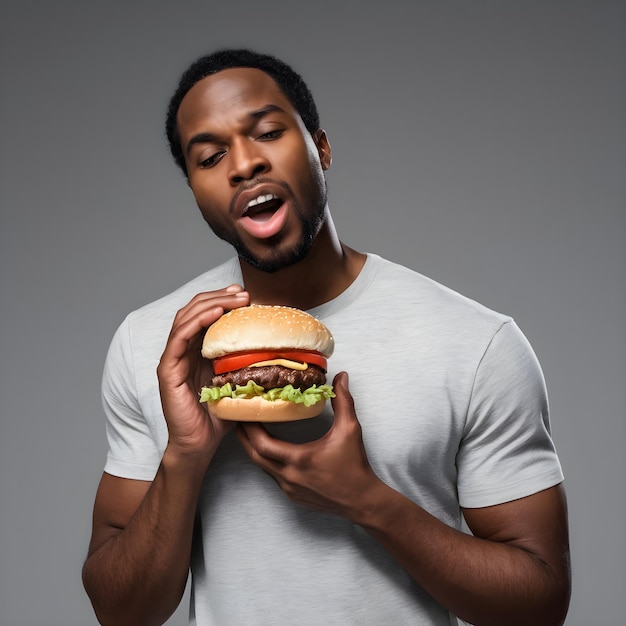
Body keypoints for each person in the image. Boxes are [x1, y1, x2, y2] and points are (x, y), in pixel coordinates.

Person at [82, 49, 571, 626]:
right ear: (195, 189)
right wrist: (184, 457)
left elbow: (540, 604)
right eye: (211, 157)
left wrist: (370, 502)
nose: (243, 165)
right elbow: (119, 611)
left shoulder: (477, 342)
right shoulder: (152, 343)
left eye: (267, 132)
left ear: (321, 148)